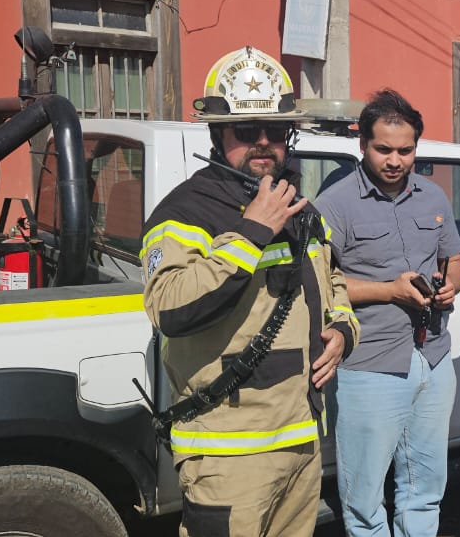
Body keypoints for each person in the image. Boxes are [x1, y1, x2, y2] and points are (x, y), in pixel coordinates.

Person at [141, 46, 359, 537]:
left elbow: (334, 281)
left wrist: (344, 330)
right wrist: (251, 233)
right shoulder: (184, 212)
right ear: (218, 135)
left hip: (301, 441)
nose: (263, 143)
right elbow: (169, 308)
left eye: (275, 131)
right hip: (229, 454)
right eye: (245, 130)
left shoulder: (300, 207)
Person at [313, 89, 460, 537]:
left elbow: (453, 259)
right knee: (364, 502)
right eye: (384, 149)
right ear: (362, 145)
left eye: (406, 150)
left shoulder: (433, 197)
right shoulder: (334, 204)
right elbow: (319, 284)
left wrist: (451, 284)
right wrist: (389, 292)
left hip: (433, 357)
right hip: (370, 365)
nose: (396, 160)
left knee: (425, 489)